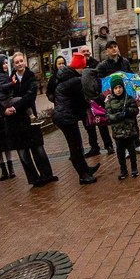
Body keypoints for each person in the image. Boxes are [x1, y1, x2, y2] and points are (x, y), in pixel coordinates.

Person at [2, 52, 56, 188]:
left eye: (21, 61)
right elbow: (3, 98)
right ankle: (34, 178)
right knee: (22, 151)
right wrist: (5, 110)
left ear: (25, 62)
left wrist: (14, 107)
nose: (19, 64)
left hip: (30, 118)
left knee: (38, 147)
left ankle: (47, 175)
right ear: (13, 65)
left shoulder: (31, 77)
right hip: (15, 121)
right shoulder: (10, 80)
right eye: (17, 62)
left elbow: (30, 97)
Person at [52, 56, 99, 185]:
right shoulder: (75, 80)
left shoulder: (65, 77)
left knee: (77, 145)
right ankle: (82, 175)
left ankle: (86, 169)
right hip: (66, 117)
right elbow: (81, 100)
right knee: (75, 147)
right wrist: (91, 105)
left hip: (63, 115)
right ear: (78, 67)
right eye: (83, 67)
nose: (83, 70)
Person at [104, 74, 140, 179]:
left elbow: (135, 110)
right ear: (112, 89)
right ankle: (123, 169)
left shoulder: (128, 99)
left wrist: (128, 111)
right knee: (120, 152)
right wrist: (117, 116)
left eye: (120, 87)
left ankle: (134, 168)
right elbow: (107, 117)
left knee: (132, 150)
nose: (118, 90)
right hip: (118, 132)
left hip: (129, 130)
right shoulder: (109, 102)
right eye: (115, 88)